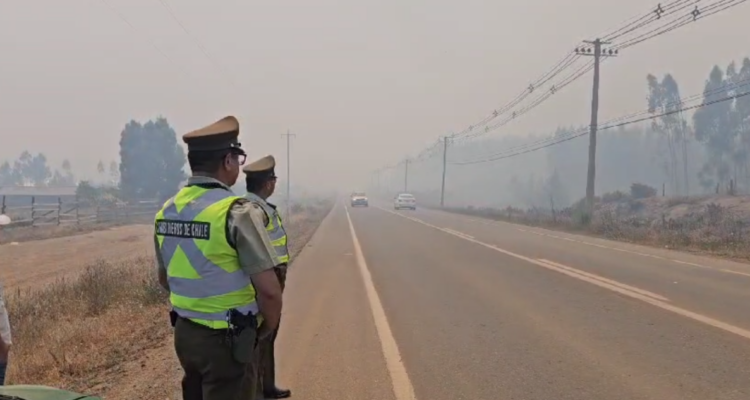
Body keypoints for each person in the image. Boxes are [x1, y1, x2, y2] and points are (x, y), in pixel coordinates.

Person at [153, 116, 283, 400]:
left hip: (186, 335)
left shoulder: (167, 210)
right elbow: (270, 293)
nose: (239, 165)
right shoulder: (237, 212)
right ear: (227, 161)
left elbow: (166, 279)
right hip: (228, 340)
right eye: (238, 158)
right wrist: (264, 331)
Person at [242, 155, 291, 399]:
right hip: (264, 282)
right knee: (262, 337)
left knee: (268, 337)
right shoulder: (253, 211)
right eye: (273, 179)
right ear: (268, 183)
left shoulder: (259, 208)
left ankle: (267, 386)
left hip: (272, 278)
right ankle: (259, 391)